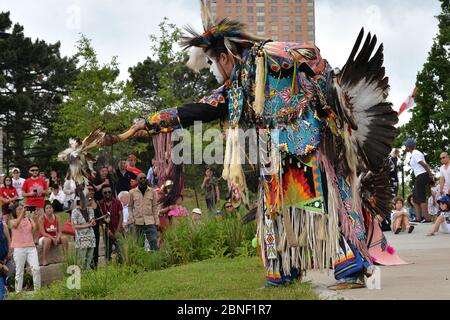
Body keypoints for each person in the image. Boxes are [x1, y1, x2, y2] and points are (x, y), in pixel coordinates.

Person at [78, 13, 399, 289]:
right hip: (273, 157)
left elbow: (312, 56)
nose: (216, 70)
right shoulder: (236, 89)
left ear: (226, 57)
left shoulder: (270, 57)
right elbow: (194, 110)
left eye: (216, 62)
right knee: (274, 215)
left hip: (305, 146)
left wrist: (286, 62)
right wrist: (144, 124)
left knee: (320, 209)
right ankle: (284, 270)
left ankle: (351, 266)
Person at [10, 203, 41, 293]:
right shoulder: (12, 221)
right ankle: (18, 293)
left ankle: (37, 292)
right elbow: (15, 224)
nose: (21, 211)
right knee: (19, 272)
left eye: (22, 209)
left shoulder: (29, 220)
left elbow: (36, 230)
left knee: (36, 269)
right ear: (14, 212)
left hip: (31, 248)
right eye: (19, 209)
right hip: (19, 249)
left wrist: (36, 219)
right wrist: (22, 214)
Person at [404, 139, 433, 223]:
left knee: (420, 197)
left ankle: (427, 219)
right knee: (415, 197)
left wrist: (430, 174)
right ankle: (418, 218)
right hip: (419, 176)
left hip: (422, 175)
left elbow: (424, 164)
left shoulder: (415, 153)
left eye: (406, 145)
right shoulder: (414, 153)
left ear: (408, 147)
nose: (405, 147)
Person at [128, 173, 159, 251]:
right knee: (139, 244)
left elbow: (155, 207)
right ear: (137, 180)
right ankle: (141, 262)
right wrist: (131, 217)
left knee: (153, 241)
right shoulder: (132, 192)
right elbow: (130, 206)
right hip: (138, 221)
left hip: (150, 220)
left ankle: (156, 259)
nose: (143, 180)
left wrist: (157, 220)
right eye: (140, 178)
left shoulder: (152, 192)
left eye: (144, 178)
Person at [38, 201, 68, 266]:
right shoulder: (42, 218)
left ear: (53, 209)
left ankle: (67, 257)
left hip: (54, 236)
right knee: (48, 240)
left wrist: (57, 238)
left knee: (64, 238)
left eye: (50, 208)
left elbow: (60, 231)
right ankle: (44, 260)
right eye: (47, 208)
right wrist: (52, 238)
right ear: (44, 210)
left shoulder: (57, 217)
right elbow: (43, 232)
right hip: (44, 237)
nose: (49, 209)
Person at [98, 185, 123, 262]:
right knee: (108, 253)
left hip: (118, 231)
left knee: (120, 252)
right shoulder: (100, 204)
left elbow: (121, 216)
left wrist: (118, 231)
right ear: (102, 193)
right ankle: (109, 268)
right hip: (107, 232)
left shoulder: (117, 202)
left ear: (112, 192)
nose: (107, 194)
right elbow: (100, 220)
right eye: (105, 192)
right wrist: (108, 231)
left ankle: (120, 267)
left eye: (109, 192)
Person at [71, 194, 96, 270]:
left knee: (90, 257)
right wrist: (88, 225)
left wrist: (92, 222)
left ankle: (87, 274)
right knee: (81, 260)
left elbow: (92, 220)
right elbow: (75, 226)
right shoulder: (75, 211)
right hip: (81, 238)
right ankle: (82, 275)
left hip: (91, 236)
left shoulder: (90, 209)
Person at [86, 185, 102, 269]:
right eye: (89, 190)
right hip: (85, 231)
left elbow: (100, 215)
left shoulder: (97, 202)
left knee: (95, 250)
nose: (91, 191)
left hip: (95, 230)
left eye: (92, 190)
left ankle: (94, 269)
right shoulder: (81, 202)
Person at [0, 216, 12, 300]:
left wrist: (9, 252)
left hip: (5, 259)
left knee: (5, 284)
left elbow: (8, 240)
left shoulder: (2, 226)